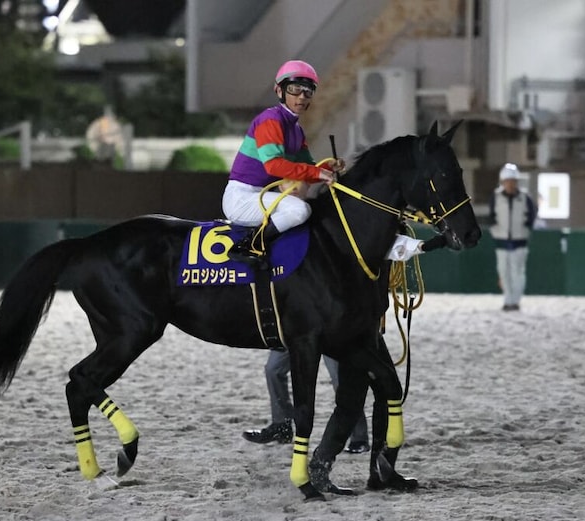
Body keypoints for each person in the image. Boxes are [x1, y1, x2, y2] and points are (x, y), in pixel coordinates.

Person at [241, 233, 447, 452]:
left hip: (330, 322)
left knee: (341, 379)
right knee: (273, 370)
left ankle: (359, 437)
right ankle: (281, 424)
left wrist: (424, 245)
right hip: (298, 320)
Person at [222, 59, 342, 266]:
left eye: (308, 91)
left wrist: (327, 168)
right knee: (299, 210)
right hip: (242, 198)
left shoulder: (296, 130)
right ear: (279, 91)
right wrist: (318, 173)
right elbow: (274, 166)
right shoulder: (270, 120)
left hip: (262, 196)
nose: (302, 97)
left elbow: (307, 171)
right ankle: (248, 245)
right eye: (295, 89)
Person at [489, 163, 537, 311]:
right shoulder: (496, 197)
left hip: (519, 239)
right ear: (503, 182)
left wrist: (526, 228)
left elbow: (532, 215)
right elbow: (491, 216)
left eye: (513, 180)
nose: (510, 184)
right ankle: (507, 299)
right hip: (501, 240)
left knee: (518, 272)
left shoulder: (524, 198)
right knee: (503, 271)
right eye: (508, 181)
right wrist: (495, 230)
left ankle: (515, 300)